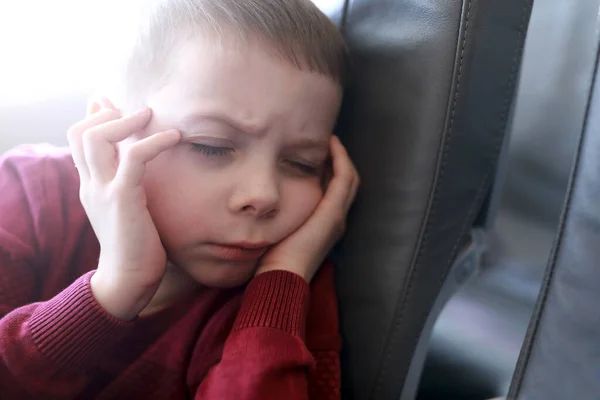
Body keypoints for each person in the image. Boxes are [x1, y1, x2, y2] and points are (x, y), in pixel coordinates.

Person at [0, 0, 359, 399]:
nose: (263, 195)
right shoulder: (25, 197)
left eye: (301, 163)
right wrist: (114, 290)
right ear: (111, 133)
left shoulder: (286, 278)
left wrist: (282, 281)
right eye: (211, 146)